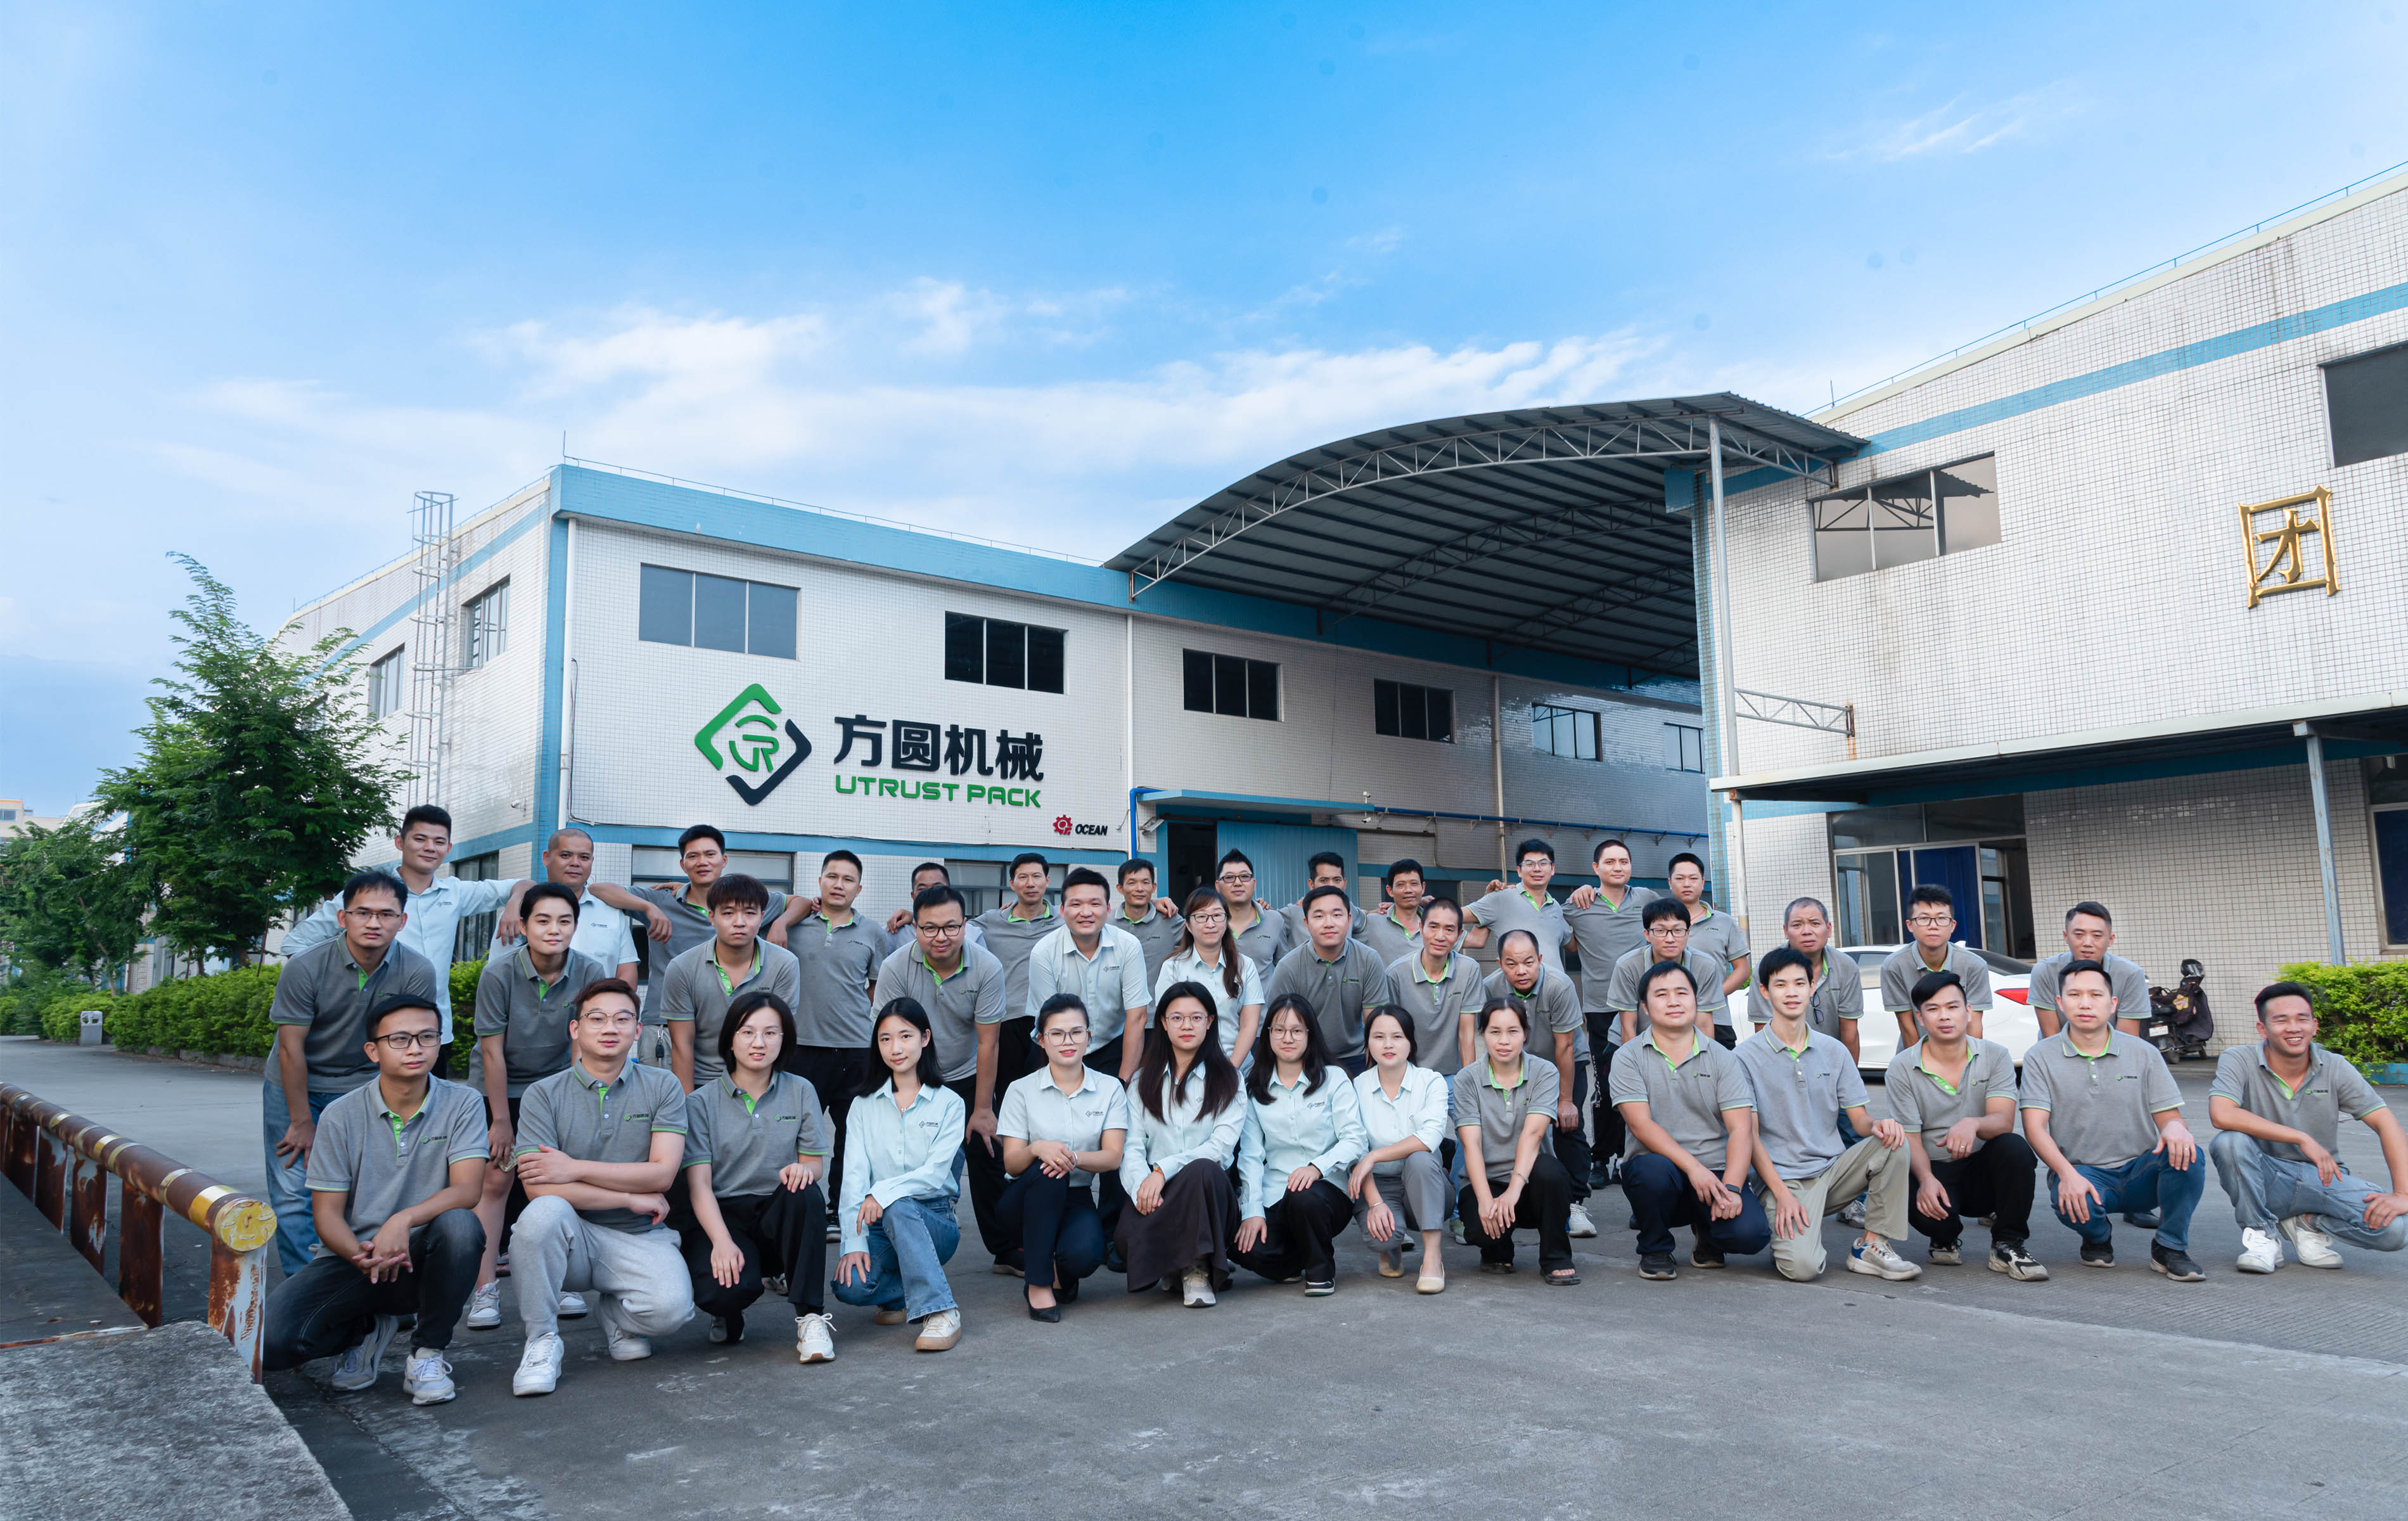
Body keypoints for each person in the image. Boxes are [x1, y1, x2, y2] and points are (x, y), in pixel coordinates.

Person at [263, 995, 487, 1406]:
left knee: (461, 1225)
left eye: (427, 1037)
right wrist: (361, 1257)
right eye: (400, 1039)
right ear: (373, 1050)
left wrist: (402, 1220)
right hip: (355, 1259)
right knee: (272, 1343)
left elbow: (468, 1190)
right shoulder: (340, 1115)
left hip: (424, 1257)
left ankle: (427, 1353)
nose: (415, 1048)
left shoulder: (463, 1102)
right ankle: (366, 1329)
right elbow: (326, 1215)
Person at [508, 979, 694, 1397]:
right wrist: (627, 1196)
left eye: (622, 1019)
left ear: (638, 1030)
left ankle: (615, 1316)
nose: (610, 1028)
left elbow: (661, 1175)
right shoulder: (542, 1095)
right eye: (597, 1018)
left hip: (638, 1235)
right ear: (575, 1029)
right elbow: (539, 1190)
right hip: (570, 1236)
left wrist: (572, 1168)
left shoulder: (663, 1086)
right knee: (540, 1216)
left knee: (672, 1310)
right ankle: (541, 1340)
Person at [265, 870, 442, 1274]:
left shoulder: (416, 971)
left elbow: (410, 1044)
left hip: (367, 1083)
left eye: (386, 914)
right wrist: (301, 1121)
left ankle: (372, 1276)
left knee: (368, 1188)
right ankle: (307, 1286)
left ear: (402, 921)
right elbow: (291, 1048)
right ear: (343, 918)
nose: (374, 923)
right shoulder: (305, 967)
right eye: (363, 913)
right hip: (298, 1082)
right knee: (294, 1192)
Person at [464, 883, 608, 1330]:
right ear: (524, 926)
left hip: (557, 1086)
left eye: (564, 921)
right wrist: (501, 1121)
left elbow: (582, 1045)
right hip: (502, 1085)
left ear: (576, 926)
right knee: (496, 1180)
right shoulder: (499, 973)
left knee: (558, 1178)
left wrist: (576, 1105)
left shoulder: (590, 970)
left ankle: (562, 1281)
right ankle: (485, 1290)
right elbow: (492, 1053)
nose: (554, 930)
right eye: (542, 920)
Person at [284, 804, 527, 1067]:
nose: (430, 848)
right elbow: (296, 944)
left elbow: (525, 885)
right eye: (420, 839)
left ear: (449, 849)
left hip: (433, 1033)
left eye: (439, 842)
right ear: (400, 842)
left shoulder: (456, 893)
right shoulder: (368, 896)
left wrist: (514, 906)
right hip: (375, 1035)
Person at [1735, 947, 1921, 1283]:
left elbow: (1860, 1121)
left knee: (1895, 1142)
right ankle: (1793, 1235)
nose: (1791, 992)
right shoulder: (1744, 1057)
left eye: (1799, 983)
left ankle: (1871, 1245)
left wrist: (1881, 1125)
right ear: (1764, 991)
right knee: (1803, 1268)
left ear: (1812, 987)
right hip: (1783, 1180)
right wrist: (1781, 1194)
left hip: (1833, 1172)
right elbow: (1750, 1136)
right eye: (1780, 985)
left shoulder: (1834, 1050)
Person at [674, 989, 835, 1363]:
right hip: (724, 1215)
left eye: (770, 1033)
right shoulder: (700, 1102)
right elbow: (699, 1186)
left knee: (807, 1192)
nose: (759, 1043)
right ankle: (728, 1313)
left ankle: (810, 1318)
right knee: (722, 1292)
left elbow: (814, 1165)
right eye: (747, 1032)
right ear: (730, 1039)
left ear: (784, 1039)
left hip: (778, 1213)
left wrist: (803, 1169)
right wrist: (721, 1242)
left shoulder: (801, 1090)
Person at [2020, 959, 2205, 1280]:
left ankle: (2170, 1246)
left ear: (2113, 1003)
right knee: (2069, 1198)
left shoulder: (2143, 1052)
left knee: (2190, 1155)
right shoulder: (2040, 1056)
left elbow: (2170, 1118)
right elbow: (2034, 1127)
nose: (2086, 1003)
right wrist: (2066, 1174)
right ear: (2060, 1003)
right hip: (2084, 1172)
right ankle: (2098, 1237)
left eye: (2096, 995)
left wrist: (2177, 1129)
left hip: (2141, 1170)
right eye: (2075, 995)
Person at [2210, 980, 2408, 1273]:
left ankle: (2308, 1223)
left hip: (2322, 1178)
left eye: (2302, 1019)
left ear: (2314, 1026)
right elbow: (2222, 1114)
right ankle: (2262, 1236)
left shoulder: (2335, 1066)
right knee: (2228, 1142)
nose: (2293, 1028)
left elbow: (2386, 1123)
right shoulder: (2239, 1059)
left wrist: (2403, 1194)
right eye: (2281, 1020)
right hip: (2265, 1178)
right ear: (2262, 1029)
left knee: (2396, 1230)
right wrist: (2301, 1138)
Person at [875, 885, 1011, 1273]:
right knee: (910, 1160)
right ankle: (901, 1249)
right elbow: (888, 1036)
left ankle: (1006, 1249)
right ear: (915, 928)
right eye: (930, 928)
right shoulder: (895, 967)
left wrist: (983, 1109)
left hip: (966, 1074)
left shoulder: (987, 967)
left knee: (987, 1153)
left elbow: (988, 1043)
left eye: (951, 927)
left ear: (965, 925)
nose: (941, 937)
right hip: (914, 1076)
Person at [1611, 960, 1769, 1280]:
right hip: (1661, 1171)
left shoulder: (1724, 1057)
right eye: (1661, 994)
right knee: (1651, 1173)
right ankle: (1655, 1248)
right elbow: (1641, 1125)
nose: (1673, 1001)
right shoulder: (1628, 1057)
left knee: (1751, 1235)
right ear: (1645, 1006)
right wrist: (1694, 1169)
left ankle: (1708, 1234)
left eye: (1682, 993)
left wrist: (1732, 1188)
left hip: (1716, 1172)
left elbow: (1741, 1128)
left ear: (1696, 1000)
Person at [1887, 970, 2046, 1279]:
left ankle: (2008, 1243)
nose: (1944, 1016)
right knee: (1901, 1176)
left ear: (1969, 1011)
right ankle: (1944, 1237)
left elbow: (2003, 1120)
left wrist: (1973, 1124)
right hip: (1933, 1168)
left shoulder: (1995, 1056)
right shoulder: (1902, 1066)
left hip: (1981, 1171)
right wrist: (1926, 1179)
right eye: (1933, 1009)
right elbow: (1911, 1138)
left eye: (1953, 1007)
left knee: (2015, 1148)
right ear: (1920, 1018)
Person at [833, 999, 968, 1352]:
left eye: (905, 1036)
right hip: (877, 1224)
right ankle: (904, 1292)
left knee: (899, 1205)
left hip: (934, 1219)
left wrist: (883, 1192)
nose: (896, 1048)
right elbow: (853, 1179)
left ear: (925, 1038)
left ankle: (941, 1310)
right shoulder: (863, 1105)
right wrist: (854, 1242)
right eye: (885, 1039)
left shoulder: (950, 1103)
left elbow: (935, 1176)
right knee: (851, 1286)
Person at [609, 825, 801, 1066]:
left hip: (721, 1027)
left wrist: (781, 923)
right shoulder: (662, 899)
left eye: (710, 854)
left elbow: (801, 902)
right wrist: (648, 907)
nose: (702, 862)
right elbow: (599, 889)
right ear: (683, 865)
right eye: (693, 856)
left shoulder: (747, 899)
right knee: (663, 1088)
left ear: (724, 860)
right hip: (663, 1025)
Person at [997, 996, 1131, 1320]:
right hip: (1026, 1198)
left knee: (1086, 1255)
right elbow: (1012, 1163)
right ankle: (1039, 1284)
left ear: (1089, 1036)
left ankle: (1059, 1272)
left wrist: (1070, 1156)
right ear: (1041, 1041)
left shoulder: (1110, 1088)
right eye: (1056, 1034)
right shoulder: (1021, 1089)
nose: (1067, 1041)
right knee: (1048, 1170)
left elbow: (1113, 1157)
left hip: (1076, 1194)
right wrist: (1037, 1149)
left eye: (1076, 1032)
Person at [1117, 983, 1246, 1306]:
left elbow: (1220, 1149)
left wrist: (1162, 1170)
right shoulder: (1142, 1080)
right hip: (1158, 1192)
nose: (1186, 1025)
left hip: (1211, 1193)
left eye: (1196, 1018)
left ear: (1210, 1022)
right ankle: (1177, 1264)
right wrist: (1142, 1188)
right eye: (1177, 1018)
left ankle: (1197, 1269)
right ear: (1163, 1023)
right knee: (1126, 1239)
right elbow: (1131, 1145)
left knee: (1202, 1169)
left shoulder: (1229, 1079)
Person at [1233, 995, 1368, 1295]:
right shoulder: (1255, 1089)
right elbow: (1251, 1156)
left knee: (1303, 1198)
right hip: (1275, 1193)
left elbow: (1355, 1139)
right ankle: (1296, 1260)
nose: (1288, 1038)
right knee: (1241, 1243)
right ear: (1268, 1035)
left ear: (1310, 1034)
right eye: (1279, 1030)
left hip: (1326, 1192)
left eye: (1297, 1030)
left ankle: (1321, 1270)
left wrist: (1316, 1168)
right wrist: (1252, 1210)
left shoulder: (1334, 1078)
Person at [784, 852, 891, 1205]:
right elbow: (753, 901)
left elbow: (875, 988)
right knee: (798, 1132)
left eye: (848, 880)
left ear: (859, 889)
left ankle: (840, 1206)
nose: (839, 885)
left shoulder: (872, 932)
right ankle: (800, 1205)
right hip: (802, 1048)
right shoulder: (796, 926)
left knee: (852, 1135)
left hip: (856, 1050)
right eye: (832, 877)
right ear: (820, 882)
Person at [1452, 998, 1579, 1285]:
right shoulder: (1466, 1079)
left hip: (1531, 1182)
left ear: (1525, 1034)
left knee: (1551, 1172)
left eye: (1513, 1031)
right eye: (1495, 1032)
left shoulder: (1545, 1072)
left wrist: (1513, 1191)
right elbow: (1471, 1145)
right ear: (1483, 1034)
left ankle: (1556, 1257)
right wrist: (1486, 1200)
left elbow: (1533, 1135)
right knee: (1479, 1227)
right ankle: (1497, 1251)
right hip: (1487, 1180)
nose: (1504, 1041)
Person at [1486, 929, 1596, 1238]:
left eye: (1528, 962)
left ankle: (1575, 1204)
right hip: (1517, 1065)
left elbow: (1566, 1046)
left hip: (1563, 1062)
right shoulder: (1491, 987)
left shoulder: (1560, 986)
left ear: (1541, 959)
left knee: (1567, 1126)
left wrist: (1565, 1100)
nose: (1521, 971)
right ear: (1500, 964)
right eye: (1511, 964)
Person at [1562, 839, 1661, 1175]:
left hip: (1645, 1006)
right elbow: (1546, 918)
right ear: (1596, 868)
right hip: (1601, 1009)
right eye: (1610, 862)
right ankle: (1602, 1157)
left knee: (1646, 1081)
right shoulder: (1578, 905)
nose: (1618, 867)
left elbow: (1673, 922)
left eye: (1624, 861)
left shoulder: (1646, 898)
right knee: (1605, 1085)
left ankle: (1631, 1155)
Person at [660, 874, 804, 1091]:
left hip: (762, 1082)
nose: (739, 922)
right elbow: (682, 1046)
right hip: (703, 1082)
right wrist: (688, 1104)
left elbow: (777, 1037)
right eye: (728, 913)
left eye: (749, 913)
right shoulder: (682, 967)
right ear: (712, 917)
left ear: (762, 917)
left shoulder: (784, 964)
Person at [1348, 1007, 1450, 1293]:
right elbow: (1353, 1148)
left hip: (1426, 1182)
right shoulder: (1356, 1087)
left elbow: (1429, 1138)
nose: (1388, 1044)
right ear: (1368, 1043)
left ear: (1411, 1042)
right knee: (1384, 1237)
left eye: (1397, 1036)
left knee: (1420, 1159)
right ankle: (1391, 1248)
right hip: (1378, 1184)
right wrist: (1375, 1203)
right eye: (1379, 1037)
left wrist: (1374, 1155)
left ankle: (1433, 1257)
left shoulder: (1431, 1081)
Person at [1025, 867, 1151, 1083]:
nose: (1086, 912)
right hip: (1059, 1045)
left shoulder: (1128, 946)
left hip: (1112, 1046)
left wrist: (1123, 1082)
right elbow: (1048, 1023)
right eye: (1076, 904)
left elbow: (1137, 1017)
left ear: (1108, 909)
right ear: (1062, 910)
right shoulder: (1044, 952)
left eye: (1095, 904)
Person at [1262, 885, 1395, 1077]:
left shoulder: (1368, 959)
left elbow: (1376, 1022)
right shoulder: (1289, 967)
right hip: (1305, 1056)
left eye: (1337, 915)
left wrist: (1373, 1069)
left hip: (1356, 1056)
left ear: (1349, 920)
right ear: (1306, 924)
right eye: (1319, 916)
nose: (1329, 923)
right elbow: (1280, 1028)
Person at [492, 827, 641, 986]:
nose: (575, 863)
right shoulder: (518, 913)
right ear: (546, 858)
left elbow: (627, 973)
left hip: (599, 1002)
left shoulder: (611, 913)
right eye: (566, 855)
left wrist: (609, 1002)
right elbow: (500, 975)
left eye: (584, 857)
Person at [975, 852, 1060, 1096]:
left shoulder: (1065, 920)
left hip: (1049, 1020)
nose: (1030, 883)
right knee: (1008, 1093)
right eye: (1023, 877)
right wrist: (910, 917)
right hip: (1006, 1021)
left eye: (1037, 877)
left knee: (1048, 1092)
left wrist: (1155, 905)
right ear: (1012, 884)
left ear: (1047, 881)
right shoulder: (991, 921)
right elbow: (952, 926)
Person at [1155, 886, 1265, 1063]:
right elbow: (1168, 1024)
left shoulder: (1245, 965)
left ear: (1227, 921)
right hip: (1187, 1067)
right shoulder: (1172, 968)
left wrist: (1231, 1070)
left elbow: (1249, 1025)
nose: (1210, 924)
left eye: (1217, 916)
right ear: (1188, 925)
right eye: (1201, 917)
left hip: (1237, 1067)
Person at [1880, 885, 1993, 1049]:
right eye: (1924, 918)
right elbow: (1907, 1027)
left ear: (1952, 925)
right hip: (1915, 1053)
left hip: (1962, 1055)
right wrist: (1920, 1063)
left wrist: (1968, 1062)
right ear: (1910, 925)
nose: (1933, 926)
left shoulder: (1974, 965)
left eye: (1941, 918)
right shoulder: (1894, 966)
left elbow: (1974, 1025)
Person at [1604, 898, 1728, 1047]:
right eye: (1661, 931)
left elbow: (1704, 1024)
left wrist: (1704, 1059)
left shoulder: (1705, 965)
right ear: (1647, 934)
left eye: (1678, 931)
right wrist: (1633, 1060)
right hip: (1635, 1041)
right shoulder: (1627, 966)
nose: (1670, 939)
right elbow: (1628, 1026)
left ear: (1688, 933)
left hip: (1685, 1041)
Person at [1383, 896, 1483, 1076]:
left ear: (1459, 935)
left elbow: (1466, 1035)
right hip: (1409, 1075)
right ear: (1421, 928)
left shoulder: (1469, 970)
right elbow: (1390, 1032)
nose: (1440, 937)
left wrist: (1468, 1083)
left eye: (1449, 930)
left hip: (1452, 1074)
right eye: (1433, 927)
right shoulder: (1396, 973)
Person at [2030, 901, 2149, 1039]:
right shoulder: (2045, 971)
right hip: (2059, 1051)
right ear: (2066, 936)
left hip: (2112, 1051)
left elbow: (2127, 1039)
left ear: (2111, 939)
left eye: (2097, 936)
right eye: (2079, 934)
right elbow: (2051, 1038)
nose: (2087, 943)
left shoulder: (2131, 974)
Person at [1462, 838, 1569, 978]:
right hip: (1517, 987)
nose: (1537, 869)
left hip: (1556, 988)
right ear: (1519, 870)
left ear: (1552, 869)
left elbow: (1574, 944)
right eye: (1529, 864)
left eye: (1543, 863)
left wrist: (1585, 890)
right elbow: (1450, 917)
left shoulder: (1555, 907)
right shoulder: (1501, 898)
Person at [1665, 852, 1750, 1018]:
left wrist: (1713, 997)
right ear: (1670, 883)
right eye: (1680, 878)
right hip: (1670, 1016)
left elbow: (1743, 970)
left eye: (1693, 878)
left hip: (1716, 1016)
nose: (1687, 884)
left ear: (1703, 883)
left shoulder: (1725, 922)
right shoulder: (1658, 924)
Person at [1779, 897, 1863, 1061]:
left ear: (1829, 929)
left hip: (1832, 1062)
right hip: (1785, 1063)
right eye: (1797, 925)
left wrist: (1848, 1074)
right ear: (1786, 931)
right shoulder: (1769, 968)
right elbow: (1763, 1031)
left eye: (1815, 923)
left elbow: (1850, 1034)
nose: (1807, 931)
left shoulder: (1845, 966)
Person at [879, 861, 986, 951]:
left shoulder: (974, 935)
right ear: (913, 896)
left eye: (938, 888)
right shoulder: (894, 934)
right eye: (922, 890)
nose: (931, 895)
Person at [1113, 858, 1186, 984]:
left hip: (1158, 997)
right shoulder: (1107, 922)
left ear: (1154, 887)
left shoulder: (1170, 919)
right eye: (1132, 883)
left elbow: (1200, 937)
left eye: (1145, 883)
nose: (1139, 889)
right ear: (1120, 888)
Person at [1215, 849, 1288, 970]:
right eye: (1229, 877)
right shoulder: (1208, 923)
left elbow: (1283, 967)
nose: (1238, 883)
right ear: (1218, 886)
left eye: (1244, 876)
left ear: (1254, 883)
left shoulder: (1274, 920)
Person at [1278, 850, 1368, 946]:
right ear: (1311, 885)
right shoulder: (1295, 912)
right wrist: (1264, 906)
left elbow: (1363, 915)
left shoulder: (1349, 908)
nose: (1331, 886)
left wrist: (1378, 910)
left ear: (1345, 884)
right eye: (1324, 880)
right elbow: (1269, 920)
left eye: (1337, 880)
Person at [1356, 859, 1433, 967]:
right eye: (1401, 885)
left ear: (1423, 887)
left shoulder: (1435, 926)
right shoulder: (1371, 922)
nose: (1408, 890)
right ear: (1390, 891)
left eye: (1414, 884)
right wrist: (1366, 912)